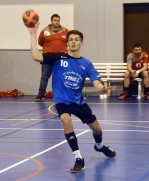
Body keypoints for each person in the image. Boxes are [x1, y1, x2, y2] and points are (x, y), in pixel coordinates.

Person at [27, 24, 116, 173]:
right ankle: (78, 158)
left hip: (79, 102)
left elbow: (96, 81)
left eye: (76, 40)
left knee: (97, 129)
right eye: (71, 40)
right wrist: (32, 34)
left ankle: (99, 146)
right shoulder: (57, 57)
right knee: (66, 121)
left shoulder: (86, 63)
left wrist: (102, 88)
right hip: (62, 100)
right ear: (67, 43)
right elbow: (36, 56)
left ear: (81, 43)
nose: (73, 42)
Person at [35, 14, 69, 101]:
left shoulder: (65, 31)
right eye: (55, 20)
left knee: (61, 77)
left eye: (58, 20)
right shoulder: (45, 31)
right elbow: (40, 42)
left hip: (61, 56)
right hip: (48, 56)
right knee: (44, 76)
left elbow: (69, 41)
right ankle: (40, 95)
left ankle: (61, 95)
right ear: (51, 21)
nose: (57, 22)